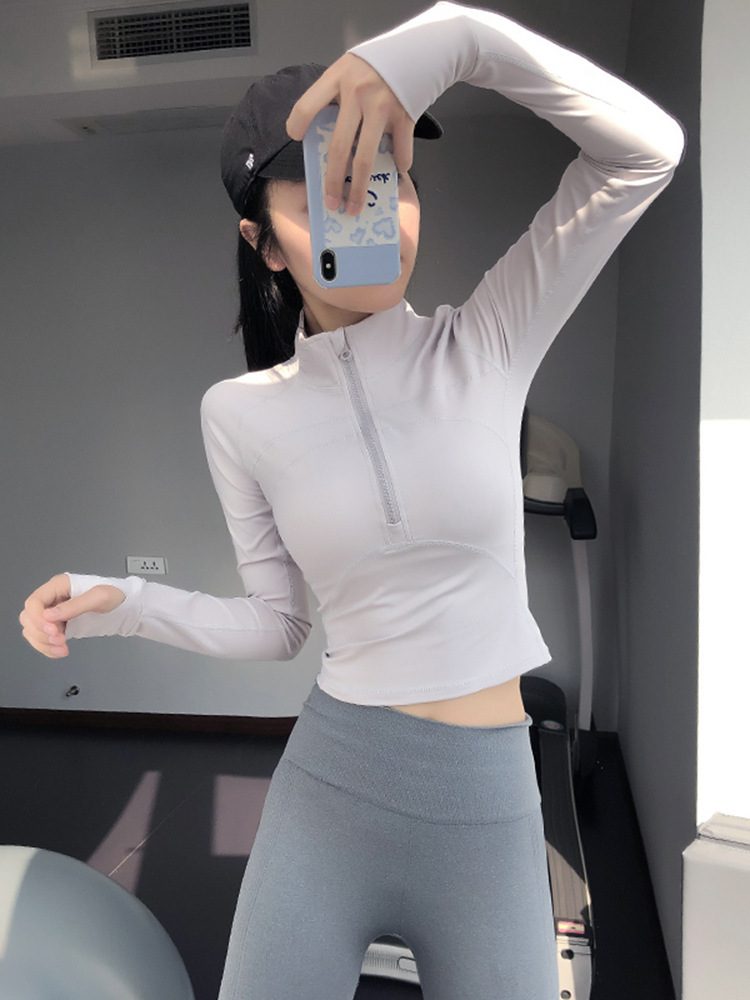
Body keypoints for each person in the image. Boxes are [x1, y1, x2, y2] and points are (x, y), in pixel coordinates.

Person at [20, 3, 684, 997]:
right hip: (334, 783)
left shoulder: (488, 340)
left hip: (489, 804)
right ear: (265, 244)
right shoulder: (239, 413)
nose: (373, 204)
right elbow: (279, 623)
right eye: (332, 186)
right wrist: (127, 603)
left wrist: (459, 38)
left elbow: (644, 152)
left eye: (390, 176)